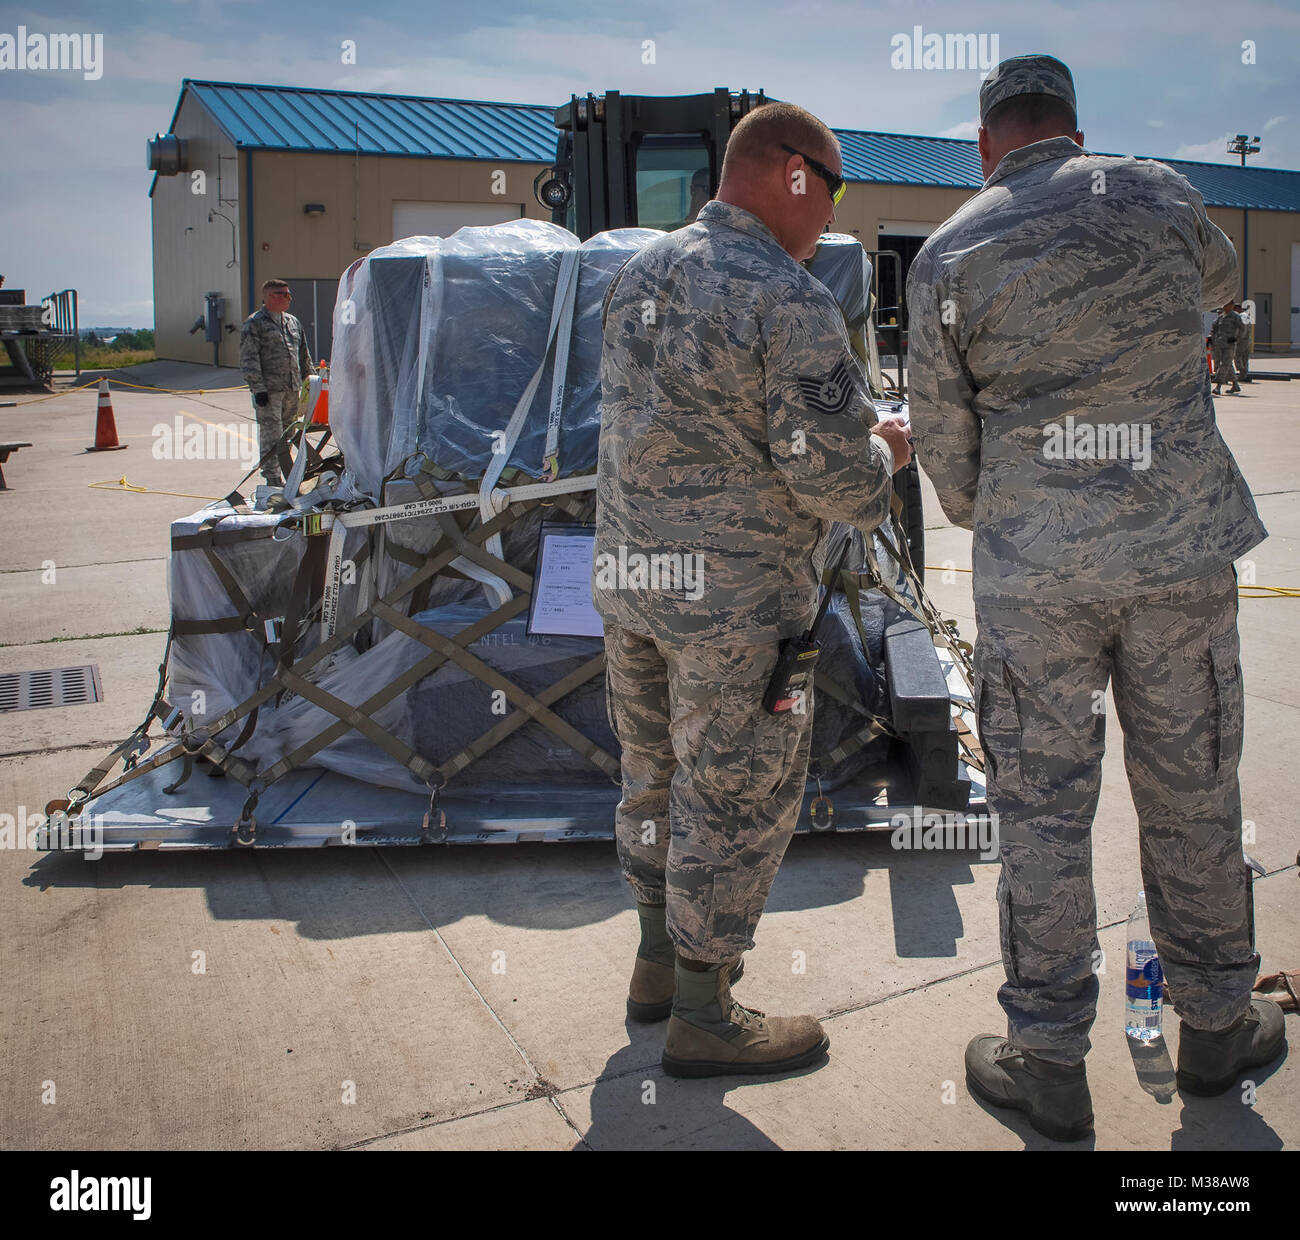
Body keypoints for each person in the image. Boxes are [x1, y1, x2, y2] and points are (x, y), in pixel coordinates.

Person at [906, 54, 1283, 1142]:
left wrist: (1011, 513)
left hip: (1037, 577)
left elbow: (941, 441)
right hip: (1178, 559)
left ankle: (1048, 1061)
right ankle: (1216, 1029)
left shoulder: (948, 250)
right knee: (1195, 789)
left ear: (987, 143)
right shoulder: (1156, 191)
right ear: (1073, 128)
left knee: (1039, 811)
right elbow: (1217, 285)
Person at [596, 100, 913, 1078]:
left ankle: (655, 962)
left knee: (650, 773)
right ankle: (704, 1007)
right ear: (791, 173)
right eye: (834, 189)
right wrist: (884, 453)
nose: (829, 214)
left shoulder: (637, 271)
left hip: (632, 579)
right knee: (734, 791)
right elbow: (831, 479)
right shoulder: (788, 296)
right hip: (734, 606)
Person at [239, 279, 314, 487]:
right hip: (270, 393)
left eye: (289, 293)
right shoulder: (255, 323)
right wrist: (258, 388)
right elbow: (248, 359)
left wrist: (312, 381)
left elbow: (303, 355)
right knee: (271, 436)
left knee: (288, 435)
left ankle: (286, 473)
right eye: (284, 294)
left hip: (292, 390)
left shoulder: (292, 322)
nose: (289, 297)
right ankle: (272, 479)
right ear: (271, 297)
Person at [1211, 301, 1244, 395]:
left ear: (1232, 306)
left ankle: (1218, 386)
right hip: (1220, 344)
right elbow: (1214, 328)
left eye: (1227, 304)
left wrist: (1236, 339)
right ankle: (1235, 384)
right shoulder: (1221, 317)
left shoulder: (1235, 316)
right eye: (1224, 304)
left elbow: (1242, 329)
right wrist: (1213, 340)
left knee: (1225, 364)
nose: (1224, 306)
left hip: (1230, 345)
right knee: (1227, 365)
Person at [1233, 301, 1254, 383]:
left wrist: (1237, 339)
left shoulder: (1241, 316)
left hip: (1242, 340)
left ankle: (1242, 372)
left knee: (1237, 356)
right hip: (1247, 340)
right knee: (1245, 358)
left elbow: (1241, 329)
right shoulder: (1247, 316)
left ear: (1238, 309)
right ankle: (1244, 375)